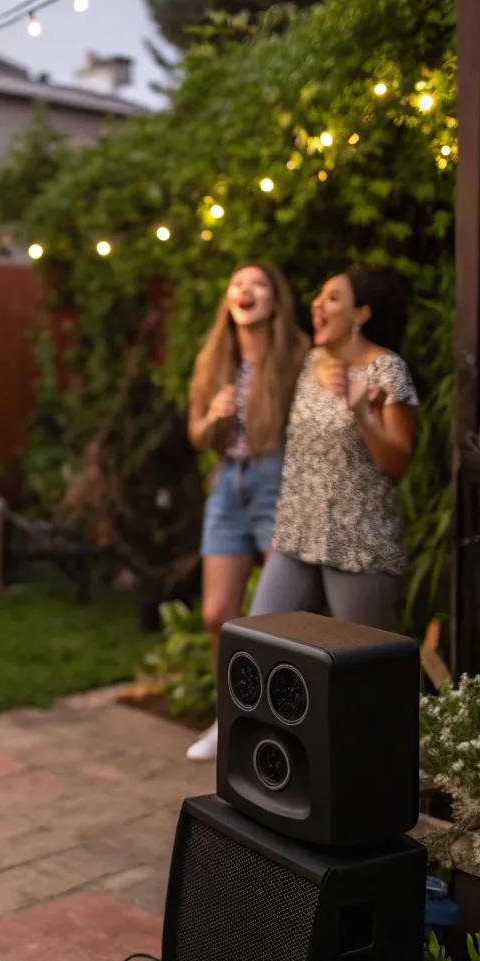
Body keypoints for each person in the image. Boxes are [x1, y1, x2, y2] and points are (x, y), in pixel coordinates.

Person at [250, 265, 418, 627]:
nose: (318, 305)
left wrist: (362, 413)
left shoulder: (388, 369)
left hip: (358, 543)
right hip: (297, 534)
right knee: (259, 642)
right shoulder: (313, 361)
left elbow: (399, 461)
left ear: (361, 314)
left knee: (362, 670)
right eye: (319, 296)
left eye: (333, 298)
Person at [186, 263, 308, 761]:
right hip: (227, 486)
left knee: (277, 621)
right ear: (228, 300)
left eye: (257, 284)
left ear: (275, 301)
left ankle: (281, 728)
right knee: (218, 614)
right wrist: (212, 419)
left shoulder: (297, 357)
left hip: (276, 483)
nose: (245, 290)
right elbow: (194, 433)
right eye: (236, 283)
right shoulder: (215, 360)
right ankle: (228, 721)